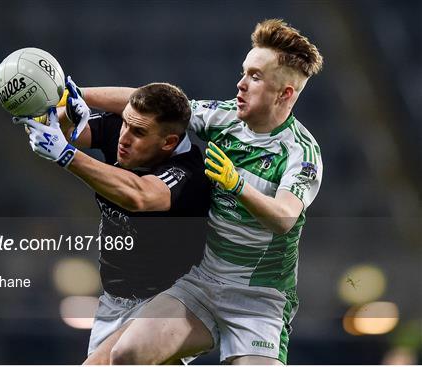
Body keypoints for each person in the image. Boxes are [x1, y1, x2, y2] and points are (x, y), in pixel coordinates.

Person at [80, 18, 324, 364]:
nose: (240, 84)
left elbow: (284, 217)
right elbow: (150, 105)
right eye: (244, 72)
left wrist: (236, 186)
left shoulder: (301, 152)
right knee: (125, 354)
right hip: (203, 283)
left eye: (255, 77)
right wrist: (74, 95)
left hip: (259, 300)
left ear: (285, 94)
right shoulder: (223, 117)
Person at [13, 81, 210, 363]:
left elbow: (139, 195)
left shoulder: (189, 173)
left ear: (169, 143)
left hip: (167, 303)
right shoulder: (127, 133)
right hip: (112, 302)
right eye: (125, 124)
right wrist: (70, 103)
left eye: (138, 132)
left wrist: (66, 155)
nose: (124, 137)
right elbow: (58, 130)